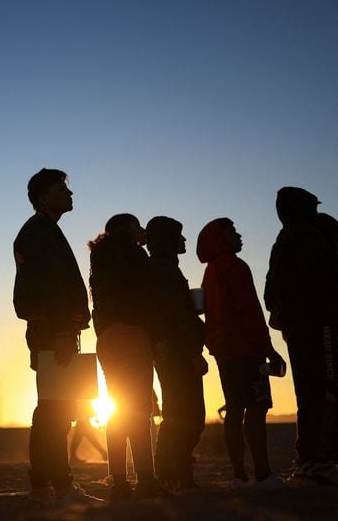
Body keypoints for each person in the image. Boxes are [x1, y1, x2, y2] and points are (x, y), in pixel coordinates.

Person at [12, 168, 101, 506]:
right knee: (55, 410)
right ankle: (58, 487)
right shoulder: (40, 231)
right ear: (44, 196)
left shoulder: (43, 230)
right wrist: (63, 331)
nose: (70, 193)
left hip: (55, 330)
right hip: (53, 331)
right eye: (62, 188)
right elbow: (49, 287)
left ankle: (45, 486)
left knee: (55, 409)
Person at [198, 217, 286, 489]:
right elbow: (249, 310)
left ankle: (239, 475)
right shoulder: (235, 266)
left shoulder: (210, 271)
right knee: (257, 409)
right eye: (232, 232)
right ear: (220, 238)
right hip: (248, 350)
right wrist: (269, 349)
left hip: (224, 352)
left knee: (235, 409)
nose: (239, 236)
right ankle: (262, 474)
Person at [89, 213, 168, 502]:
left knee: (118, 412)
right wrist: (157, 338)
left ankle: (120, 482)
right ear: (126, 229)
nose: (143, 230)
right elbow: (148, 299)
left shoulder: (100, 257)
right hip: (133, 334)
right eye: (138, 226)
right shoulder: (134, 254)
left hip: (108, 337)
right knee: (138, 410)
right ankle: (146, 479)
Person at [264, 187, 338, 483]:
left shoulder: (283, 241)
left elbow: (270, 293)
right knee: (327, 388)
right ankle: (318, 460)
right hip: (323, 326)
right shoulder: (318, 231)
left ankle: (309, 459)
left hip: (298, 330)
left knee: (308, 393)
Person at [145, 216, 207, 491]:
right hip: (179, 353)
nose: (184, 241)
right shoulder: (165, 271)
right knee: (189, 416)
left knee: (177, 413)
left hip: (172, 352)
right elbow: (176, 317)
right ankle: (176, 472)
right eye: (178, 235)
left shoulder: (161, 269)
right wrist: (193, 351)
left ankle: (172, 472)